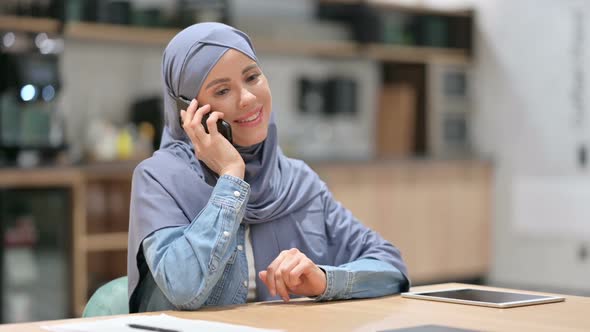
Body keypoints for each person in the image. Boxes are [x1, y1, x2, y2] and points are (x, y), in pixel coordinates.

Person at [127, 22, 410, 313]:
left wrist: (324, 281)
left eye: (252, 77)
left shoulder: (298, 181)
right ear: (189, 110)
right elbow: (183, 289)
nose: (248, 98)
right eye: (223, 90)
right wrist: (231, 177)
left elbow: (390, 267)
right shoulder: (159, 178)